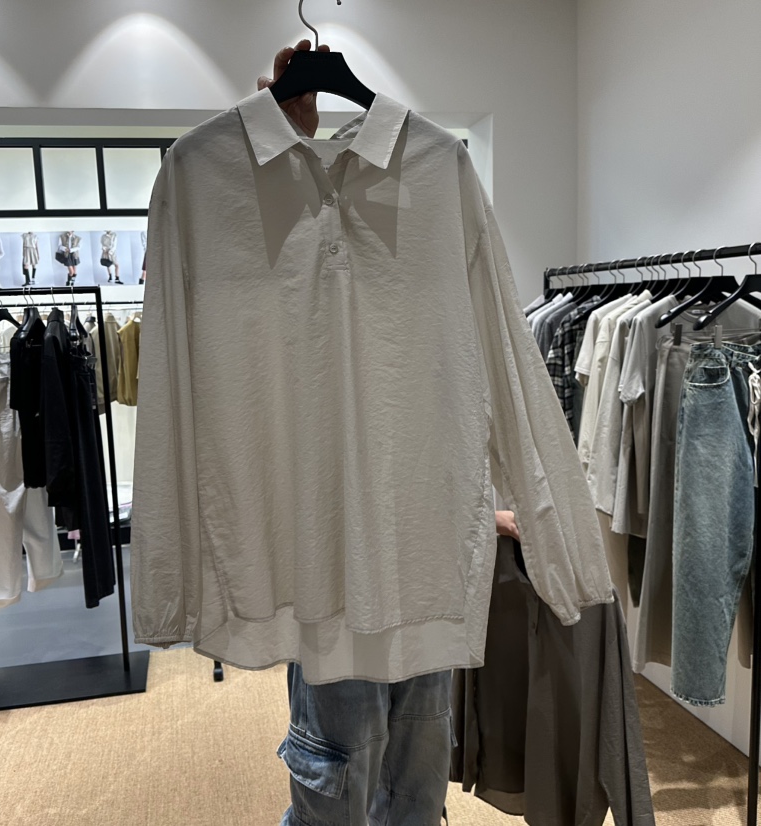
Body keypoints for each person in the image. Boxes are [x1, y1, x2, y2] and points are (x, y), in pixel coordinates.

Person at [258, 40, 520, 825]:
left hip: (426, 562)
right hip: (332, 570)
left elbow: (476, 368)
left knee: (415, 783)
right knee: (337, 782)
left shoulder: (438, 192)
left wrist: (490, 506)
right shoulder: (273, 220)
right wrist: (284, 152)